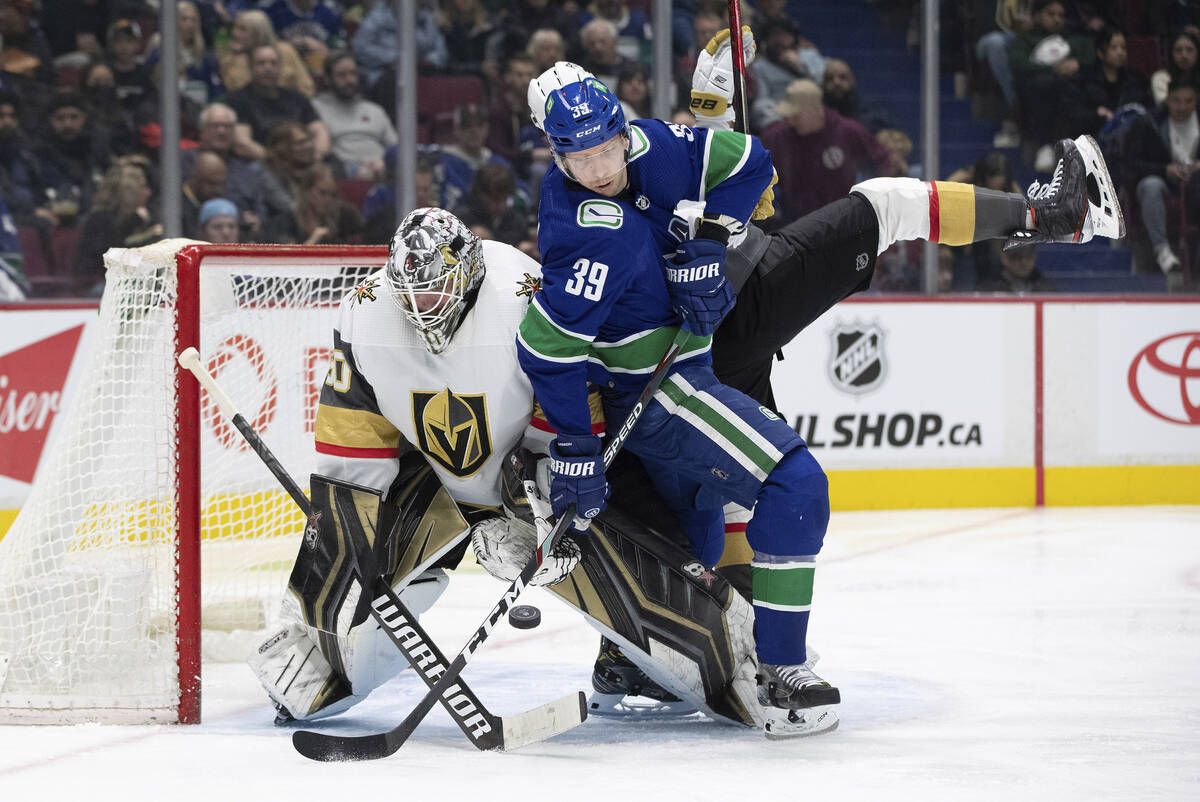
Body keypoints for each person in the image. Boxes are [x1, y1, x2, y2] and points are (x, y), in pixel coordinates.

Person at [517, 43, 1128, 735]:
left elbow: (743, 169)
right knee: (885, 208)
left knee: (727, 497)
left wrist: (708, 235)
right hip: (722, 324)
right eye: (581, 155)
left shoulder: (644, 151)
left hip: (703, 338)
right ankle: (1057, 215)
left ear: (618, 129)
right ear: (557, 154)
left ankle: (652, 653)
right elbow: (559, 339)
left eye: (607, 147)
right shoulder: (588, 224)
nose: (600, 166)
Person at [249, 206, 763, 730]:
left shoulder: (523, 293)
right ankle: (319, 664)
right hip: (433, 481)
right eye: (411, 296)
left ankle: (706, 663)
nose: (422, 309)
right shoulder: (366, 313)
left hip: (531, 475)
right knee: (346, 573)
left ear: (467, 270)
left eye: (434, 292)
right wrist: (331, 583)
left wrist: (538, 506)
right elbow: (352, 453)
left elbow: (568, 405)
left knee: (634, 562)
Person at [759, 79, 896, 223]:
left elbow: (882, 162)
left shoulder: (848, 132)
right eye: (788, 116)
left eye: (796, 116)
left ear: (815, 110)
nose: (790, 121)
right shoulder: (778, 136)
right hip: (794, 223)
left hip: (841, 222)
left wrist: (871, 204)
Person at [1125, 77, 1197, 288]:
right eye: (1176, 101)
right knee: (1150, 185)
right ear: (1167, 99)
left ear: (1196, 101)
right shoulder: (1149, 124)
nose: (1182, 107)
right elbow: (1132, 165)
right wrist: (1165, 170)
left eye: (1188, 101)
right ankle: (1162, 251)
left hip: (1196, 186)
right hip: (1165, 184)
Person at [225, 43, 330, 162]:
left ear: (280, 67)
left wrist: (317, 156)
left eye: (273, 63)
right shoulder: (237, 99)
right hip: (261, 164)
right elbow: (243, 143)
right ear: (250, 67)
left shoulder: (297, 97)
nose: (268, 68)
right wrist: (279, 163)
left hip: (303, 162)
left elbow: (320, 130)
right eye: (261, 63)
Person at [312, 51, 397, 180]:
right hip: (344, 172)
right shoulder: (316, 108)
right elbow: (322, 152)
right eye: (341, 75)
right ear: (328, 79)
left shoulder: (374, 110)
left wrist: (385, 164)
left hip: (382, 169)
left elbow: (395, 146)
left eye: (353, 74)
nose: (349, 80)